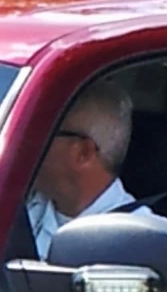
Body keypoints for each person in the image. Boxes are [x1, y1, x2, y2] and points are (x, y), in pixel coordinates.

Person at [22, 81, 150, 257]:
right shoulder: (14, 207)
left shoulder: (140, 241)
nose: (25, 142)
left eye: (43, 132)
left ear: (83, 152)